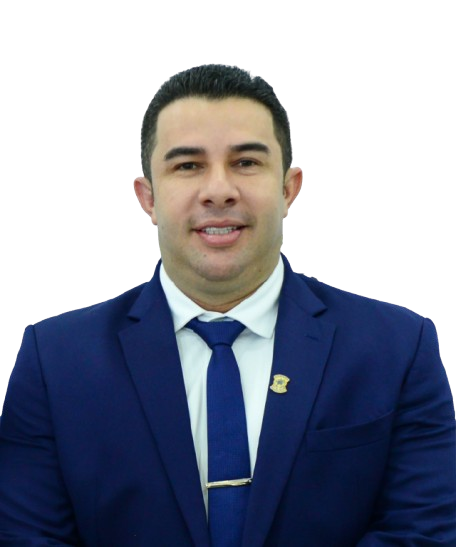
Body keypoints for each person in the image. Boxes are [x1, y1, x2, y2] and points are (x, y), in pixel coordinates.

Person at [0, 64, 454, 546]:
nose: (219, 190)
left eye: (246, 162)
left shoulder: (397, 347)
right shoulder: (55, 360)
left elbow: (422, 533)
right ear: (147, 197)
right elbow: (28, 537)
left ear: (289, 188)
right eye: (188, 166)